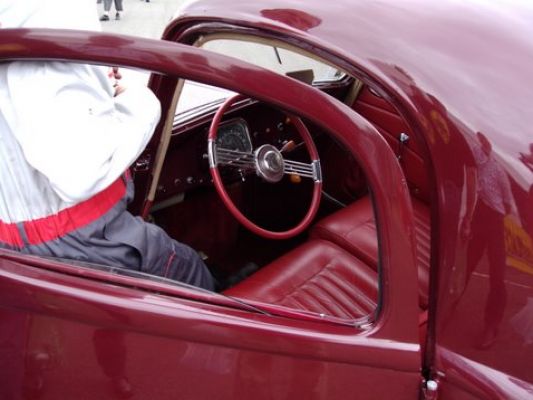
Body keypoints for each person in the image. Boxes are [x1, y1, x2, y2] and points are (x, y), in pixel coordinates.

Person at [0, 0, 215, 291]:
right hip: (84, 239)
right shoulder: (53, 10)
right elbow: (79, 174)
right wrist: (142, 104)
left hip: (12, 240)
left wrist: (98, 88)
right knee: (191, 270)